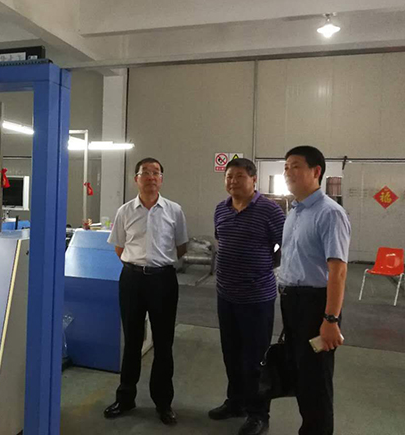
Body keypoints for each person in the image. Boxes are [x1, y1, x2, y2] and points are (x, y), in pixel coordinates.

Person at [103, 157, 188, 426]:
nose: (151, 177)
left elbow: (181, 247)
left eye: (156, 173)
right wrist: (138, 265)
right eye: (145, 173)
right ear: (136, 179)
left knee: (164, 343)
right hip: (132, 280)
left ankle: (163, 402)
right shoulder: (125, 211)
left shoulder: (174, 211)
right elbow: (119, 247)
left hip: (163, 281)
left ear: (161, 179)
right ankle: (125, 398)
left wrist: (157, 264)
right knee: (132, 340)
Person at [209, 158, 285, 435]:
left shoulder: (269, 210)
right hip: (226, 295)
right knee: (231, 354)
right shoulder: (221, 209)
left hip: (257, 298)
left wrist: (265, 266)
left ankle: (258, 414)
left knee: (255, 360)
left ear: (254, 179)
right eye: (229, 177)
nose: (233, 181)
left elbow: (285, 245)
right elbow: (222, 240)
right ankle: (235, 402)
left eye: (239, 176)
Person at [278, 146, 350, 435]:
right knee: (301, 374)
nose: (288, 172)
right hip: (292, 302)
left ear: (316, 171)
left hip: (316, 305)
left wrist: (330, 319)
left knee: (316, 380)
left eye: (295, 166)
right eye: (286, 167)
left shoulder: (330, 213)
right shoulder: (295, 211)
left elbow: (338, 271)